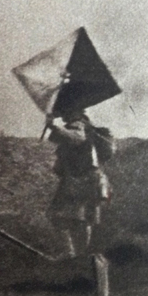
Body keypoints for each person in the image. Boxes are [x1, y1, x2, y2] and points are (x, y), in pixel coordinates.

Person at [45, 109, 113, 258]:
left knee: (60, 216)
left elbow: (77, 137)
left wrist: (53, 126)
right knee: (82, 219)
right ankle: (78, 254)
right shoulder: (87, 127)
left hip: (82, 179)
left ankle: (71, 253)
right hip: (87, 178)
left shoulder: (78, 125)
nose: (63, 115)